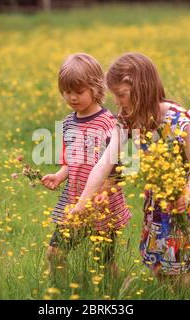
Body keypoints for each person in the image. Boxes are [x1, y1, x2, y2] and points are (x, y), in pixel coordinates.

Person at [71, 52, 190, 287]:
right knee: (160, 260)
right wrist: (82, 202)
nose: (117, 102)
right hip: (158, 193)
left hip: (189, 191)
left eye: (121, 95)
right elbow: (104, 163)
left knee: (182, 257)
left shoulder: (178, 119)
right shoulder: (127, 119)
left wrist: (185, 196)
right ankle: (170, 288)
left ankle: (182, 291)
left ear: (141, 87)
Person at [41, 53, 131, 281]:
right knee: (54, 252)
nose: (72, 97)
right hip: (74, 202)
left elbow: (120, 169)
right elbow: (71, 160)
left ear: (95, 88)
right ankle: (61, 290)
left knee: (104, 262)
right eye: (66, 92)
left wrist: (104, 191)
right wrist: (60, 175)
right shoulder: (68, 122)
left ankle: (117, 291)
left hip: (103, 206)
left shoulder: (109, 123)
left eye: (78, 92)